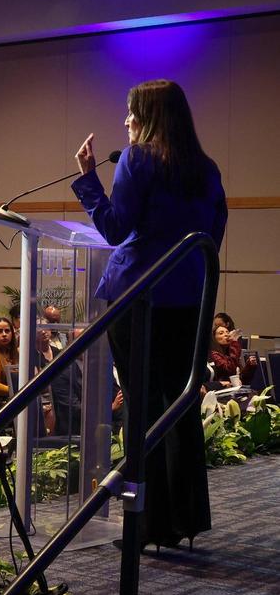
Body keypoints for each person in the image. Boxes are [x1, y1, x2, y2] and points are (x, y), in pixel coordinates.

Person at [72, 78, 227, 550]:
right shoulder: (206, 168)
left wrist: (89, 180)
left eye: (131, 112)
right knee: (180, 406)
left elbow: (116, 229)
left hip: (138, 299)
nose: (126, 121)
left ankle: (147, 524)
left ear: (150, 116)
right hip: (189, 300)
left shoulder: (138, 158)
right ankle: (182, 519)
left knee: (141, 409)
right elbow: (213, 233)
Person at [210, 321, 257, 386]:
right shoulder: (214, 354)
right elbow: (230, 370)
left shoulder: (229, 353)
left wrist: (249, 367)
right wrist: (234, 343)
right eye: (221, 333)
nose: (226, 335)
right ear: (214, 338)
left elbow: (242, 380)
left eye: (227, 332)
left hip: (234, 391)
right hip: (221, 391)